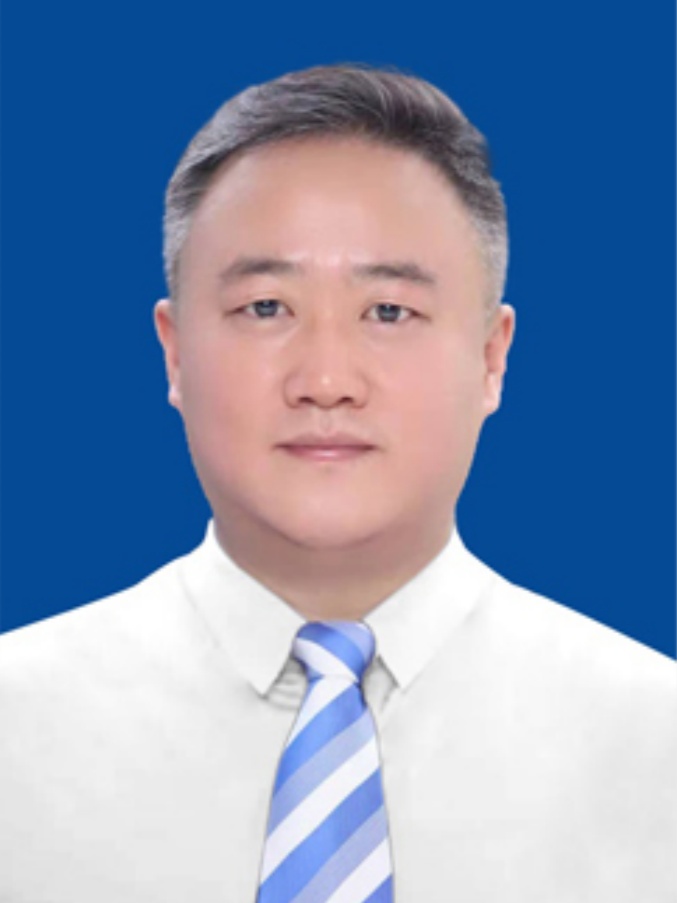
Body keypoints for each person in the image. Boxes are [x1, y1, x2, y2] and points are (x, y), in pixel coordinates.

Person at [0, 64, 674, 903]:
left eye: (388, 312)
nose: (325, 380)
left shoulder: (654, 741)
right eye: (265, 308)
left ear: (491, 357)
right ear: (174, 353)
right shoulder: (14, 728)